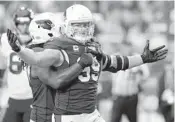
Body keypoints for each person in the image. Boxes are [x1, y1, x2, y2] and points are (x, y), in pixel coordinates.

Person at [7, 4, 168, 122]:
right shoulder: (59, 48)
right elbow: (37, 59)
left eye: (86, 26)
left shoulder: (93, 47)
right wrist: (19, 49)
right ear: (66, 27)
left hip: (92, 114)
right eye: (78, 26)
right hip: (70, 116)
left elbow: (116, 63)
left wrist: (142, 58)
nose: (83, 30)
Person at [0, 7, 33, 122]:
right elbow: (3, 64)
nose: (23, 26)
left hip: (32, 96)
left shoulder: (38, 39)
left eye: (27, 23)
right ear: (15, 23)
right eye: (20, 23)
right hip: (13, 96)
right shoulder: (5, 39)